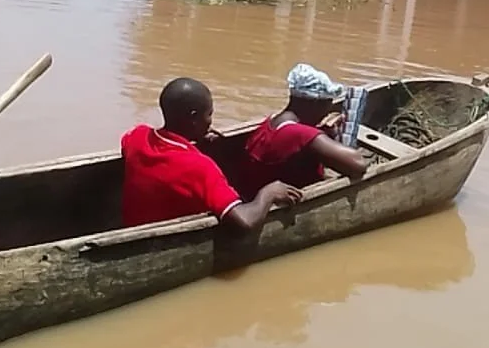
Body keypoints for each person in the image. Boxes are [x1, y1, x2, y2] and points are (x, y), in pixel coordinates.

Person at [121, 77, 301, 230]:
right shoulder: (200, 167)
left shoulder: (136, 136)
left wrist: (192, 144)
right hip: (167, 237)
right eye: (209, 114)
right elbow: (245, 222)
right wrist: (269, 193)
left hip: (135, 225)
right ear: (193, 118)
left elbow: (163, 157)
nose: (210, 121)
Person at [234, 63, 368, 202]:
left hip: (252, 195)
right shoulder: (301, 134)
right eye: (328, 103)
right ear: (314, 103)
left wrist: (323, 134)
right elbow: (358, 165)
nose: (329, 109)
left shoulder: (272, 121)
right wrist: (322, 137)